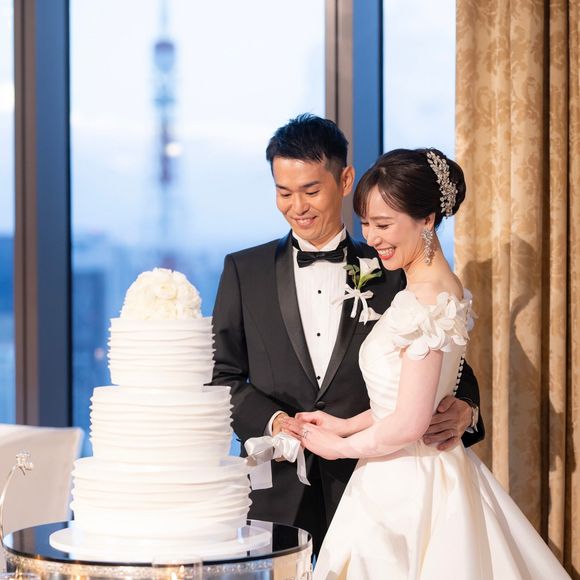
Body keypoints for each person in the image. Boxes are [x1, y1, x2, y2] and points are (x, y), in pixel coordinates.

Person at [282, 148, 570, 579]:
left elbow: (409, 423)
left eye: (383, 224)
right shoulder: (435, 288)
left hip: (407, 483)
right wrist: (343, 425)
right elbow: (404, 398)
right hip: (407, 469)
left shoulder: (426, 299)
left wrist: (337, 446)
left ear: (428, 220)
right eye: (366, 223)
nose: (372, 237)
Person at [211, 115, 483, 554]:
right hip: (278, 490)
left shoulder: (395, 266)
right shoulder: (244, 271)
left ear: (344, 180)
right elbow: (222, 376)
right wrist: (275, 421)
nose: (297, 206)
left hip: (375, 483)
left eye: (311, 190)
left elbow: (450, 362)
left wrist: (467, 409)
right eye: (284, 192)